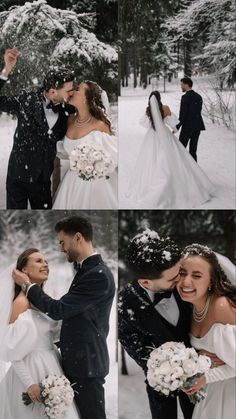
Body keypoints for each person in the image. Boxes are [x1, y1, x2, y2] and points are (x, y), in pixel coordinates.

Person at [12, 216, 115, 419]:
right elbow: (78, 318)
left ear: (77, 238)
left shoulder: (97, 275)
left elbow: (59, 310)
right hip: (74, 364)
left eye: (62, 242)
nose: (61, 248)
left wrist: (28, 285)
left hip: (87, 367)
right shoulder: (88, 270)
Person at [118, 229, 194, 419]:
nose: (182, 281)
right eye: (173, 278)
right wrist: (165, 370)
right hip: (160, 383)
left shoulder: (190, 282)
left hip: (199, 377)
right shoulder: (126, 303)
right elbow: (131, 342)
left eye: (181, 272)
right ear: (145, 282)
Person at [0, 248, 80, 419]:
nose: (45, 264)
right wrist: (29, 383)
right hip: (30, 372)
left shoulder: (42, 300)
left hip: (52, 365)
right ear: (24, 271)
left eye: (46, 261)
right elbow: (11, 350)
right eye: (38, 261)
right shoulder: (21, 303)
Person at [0, 48, 75, 209]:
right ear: (53, 91)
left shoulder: (68, 110)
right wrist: (6, 70)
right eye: (69, 90)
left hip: (42, 183)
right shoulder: (26, 101)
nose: (72, 93)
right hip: (17, 178)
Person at [126, 91, 214, 209]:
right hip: (164, 134)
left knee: (151, 159)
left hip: (152, 135)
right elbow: (173, 122)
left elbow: (145, 123)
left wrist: (154, 123)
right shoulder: (165, 108)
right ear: (159, 98)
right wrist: (174, 130)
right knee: (174, 158)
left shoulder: (148, 110)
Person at [177, 244, 236, 419]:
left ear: (211, 280)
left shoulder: (221, 306)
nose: (186, 281)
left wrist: (206, 377)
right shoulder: (190, 307)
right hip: (210, 392)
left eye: (197, 275)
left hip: (229, 393)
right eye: (182, 273)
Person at [53, 81, 118, 209]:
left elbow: (112, 158)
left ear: (86, 98)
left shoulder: (100, 125)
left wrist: (94, 166)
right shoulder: (69, 120)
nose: (73, 91)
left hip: (95, 185)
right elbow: (63, 150)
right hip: (71, 183)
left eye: (78, 90)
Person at [176, 77, 205, 162]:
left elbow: (183, 115)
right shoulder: (199, 97)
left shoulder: (185, 97)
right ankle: (194, 170)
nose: (181, 87)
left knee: (181, 149)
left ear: (186, 85)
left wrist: (177, 127)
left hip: (187, 127)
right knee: (193, 150)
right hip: (197, 126)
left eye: (182, 85)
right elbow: (197, 112)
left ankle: (181, 168)